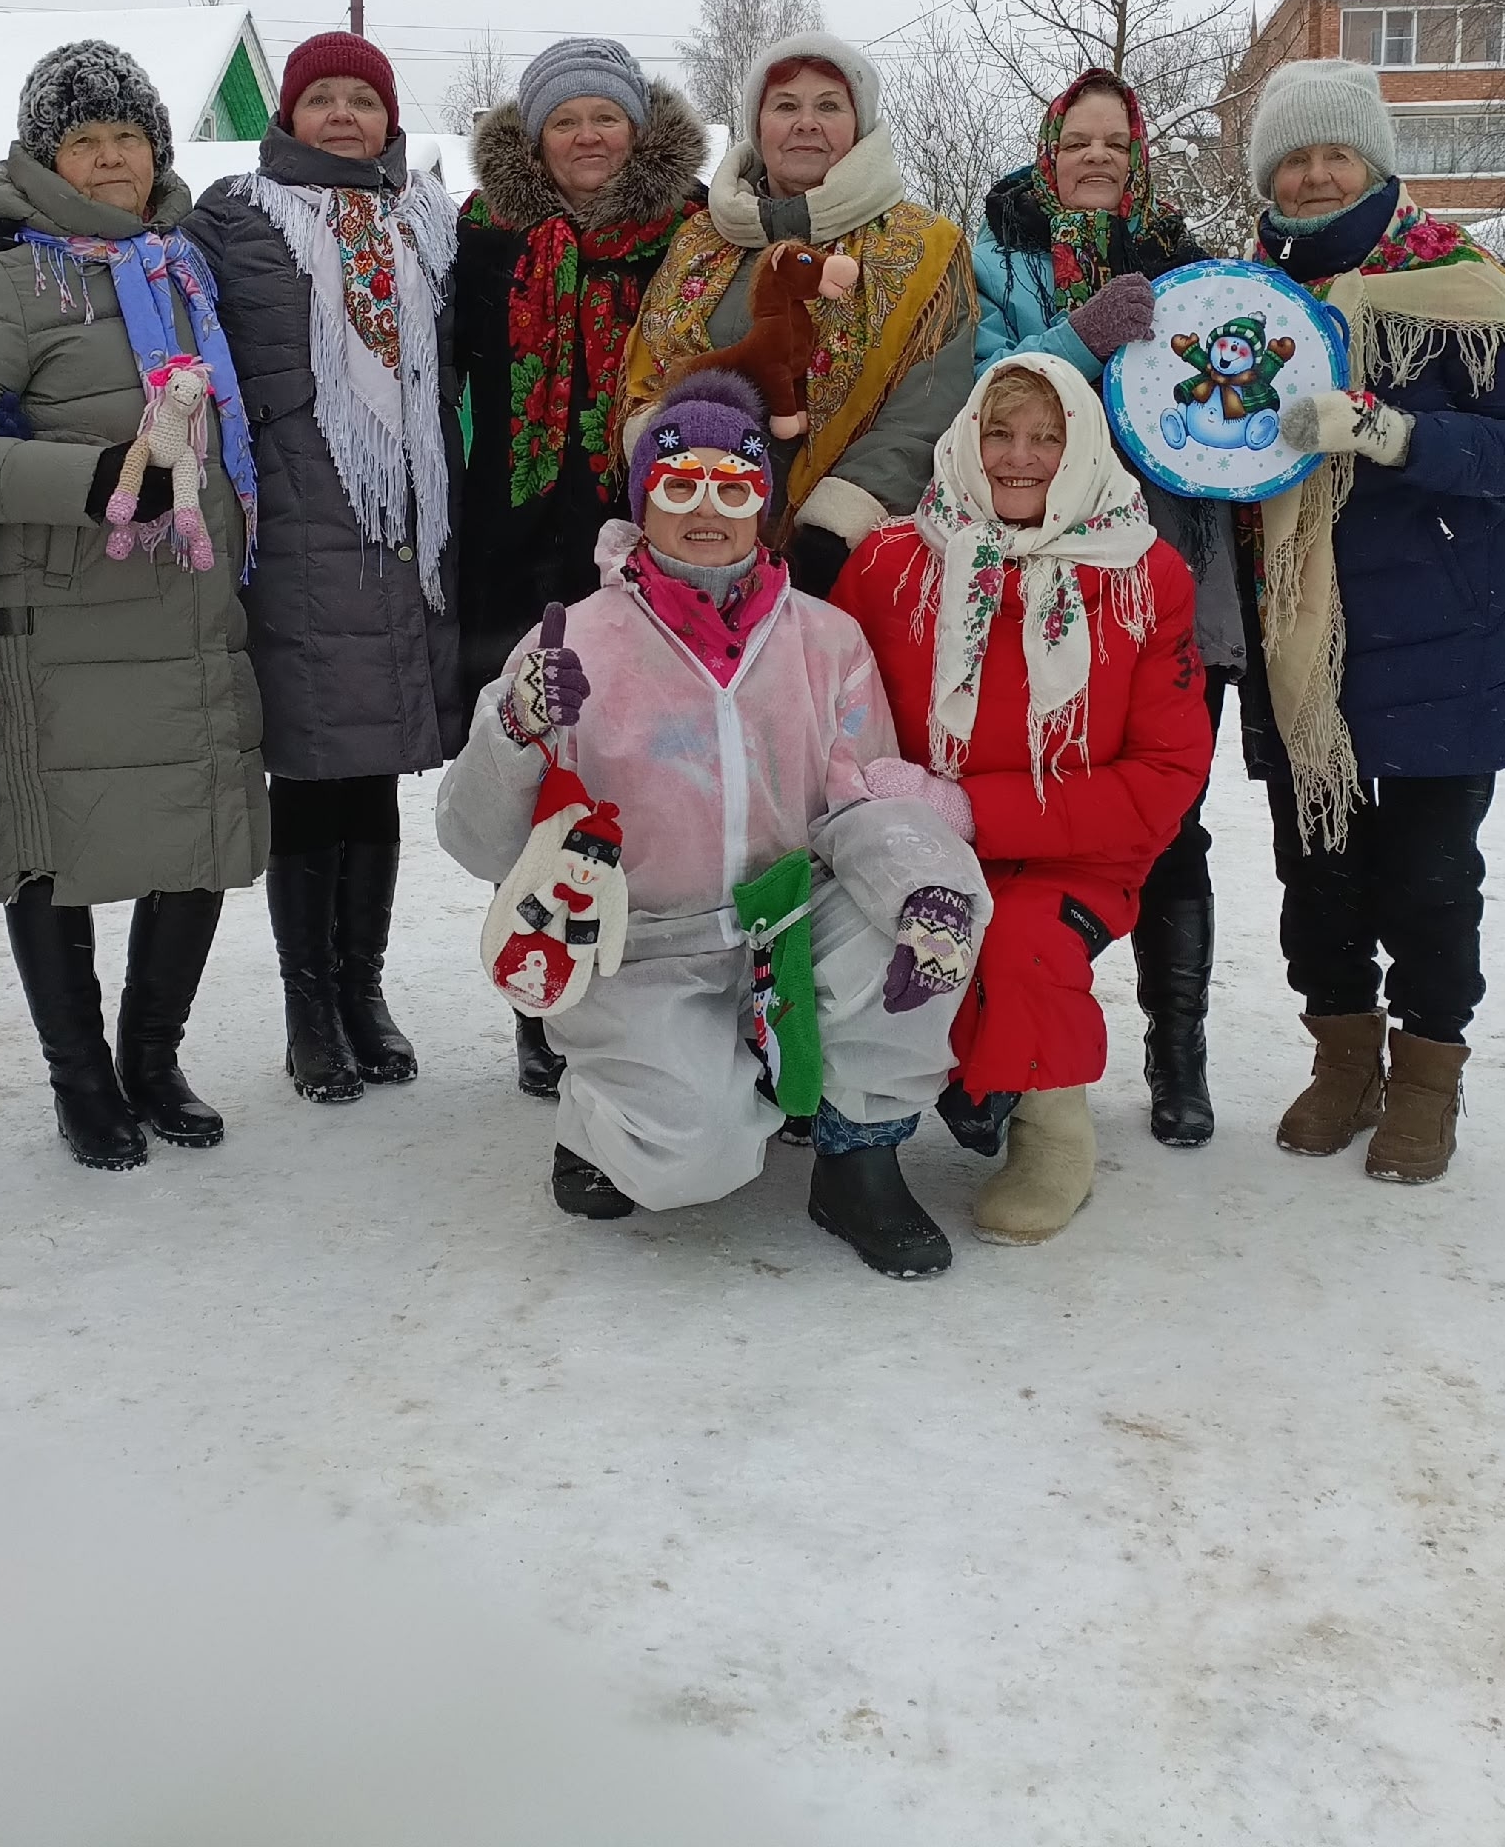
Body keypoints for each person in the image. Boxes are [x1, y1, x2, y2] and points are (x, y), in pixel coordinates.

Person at [435, 368, 989, 1280]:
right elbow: (475, 842)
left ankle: (859, 1160)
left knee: (929, 901)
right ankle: (609, 1115)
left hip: (789, 921)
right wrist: (515, 730)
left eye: (733, 488)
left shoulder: (825, 640)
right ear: (642, 499)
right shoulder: (573, 641)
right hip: (646, 948)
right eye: (679, 485)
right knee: (696, 1160)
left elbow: (868, 800)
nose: (706, 510)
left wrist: (924, 887)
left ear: (762, 503)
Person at [0, 40, 265, 1172]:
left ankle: (152, 1059)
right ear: (43, 157)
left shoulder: (185, 267)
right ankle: (81, 1079)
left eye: (129, 137)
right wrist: (96, 475)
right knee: (51, 845)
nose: (111, 159)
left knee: (197, 835)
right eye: (83, 140)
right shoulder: (5, 279)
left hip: (188, 600)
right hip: (58, 612)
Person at [1237, 57, 1505, 1183]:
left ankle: (1427, 1073)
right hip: (1300, 639)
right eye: (1295, 158)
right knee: (1317, 869)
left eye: (1338, 153)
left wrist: (1394, 433)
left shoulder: (1454, 276)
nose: (1317, 175)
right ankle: (1343, 1060)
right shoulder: (1245, 305)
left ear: (1374, 164)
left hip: (1447, 635)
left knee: (1430, 877)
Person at [834, 353, 1211, 1245]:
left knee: (1017, 942)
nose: (1019, 457)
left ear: (1083, 451)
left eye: (1048, 438)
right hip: (914, 836)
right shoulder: (891, 561)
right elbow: (831, 705)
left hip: (1073, 853)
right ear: (965, 440)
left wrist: (975, 810)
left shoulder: (1146, 576)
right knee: (866, 933)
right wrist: (887, 804)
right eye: (998, 433)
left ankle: (1051, 1127)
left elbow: (1164, 776)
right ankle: (859, 1128)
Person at [188, 33, 463, 1105]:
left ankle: (363, 992)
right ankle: (309, 1011)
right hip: (296, 531)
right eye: (321, 99)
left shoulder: (430, 219)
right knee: (309, 774)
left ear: (390, 116)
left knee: (372, 772)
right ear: (288, 116)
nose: (343, 116)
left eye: (363, 99)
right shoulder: (235, 217)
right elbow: (143, 281)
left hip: (404, 532)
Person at [971, 69, 1240, 1147]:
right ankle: (1008, 1042)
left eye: (1113, 145)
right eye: (1076, 141)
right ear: (1047, 152)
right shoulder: (996, 256)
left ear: (1137, 160)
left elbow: (1232, 396)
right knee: (1024, 806)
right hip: (1030, 567)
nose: (1095, 158)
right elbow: (982, 392)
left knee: (1167, 815)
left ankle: (1177, 1051)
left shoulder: (1188, 263)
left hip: (1167, 561)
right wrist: (1078, 335)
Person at [453, 34, 706, 1098]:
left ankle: (661, 986)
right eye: (567, 120)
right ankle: (540, 992)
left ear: (639, 132)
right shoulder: (481, 240)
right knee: (533, 770)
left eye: (607, 117)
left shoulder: (694, 235)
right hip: (515, 546)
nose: (589, 136)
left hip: (654, 545)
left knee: (655, 770)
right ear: (535, 138)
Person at [621, 33, 974, 599]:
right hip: (685, 540)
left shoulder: (922, 248)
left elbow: (927, 407)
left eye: (829, 105)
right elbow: (653, 370)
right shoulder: (699, 239)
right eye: (786, 105)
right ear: (758, 125)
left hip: (841, 562)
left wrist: (832, 532)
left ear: (859, 126)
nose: (806, 123)